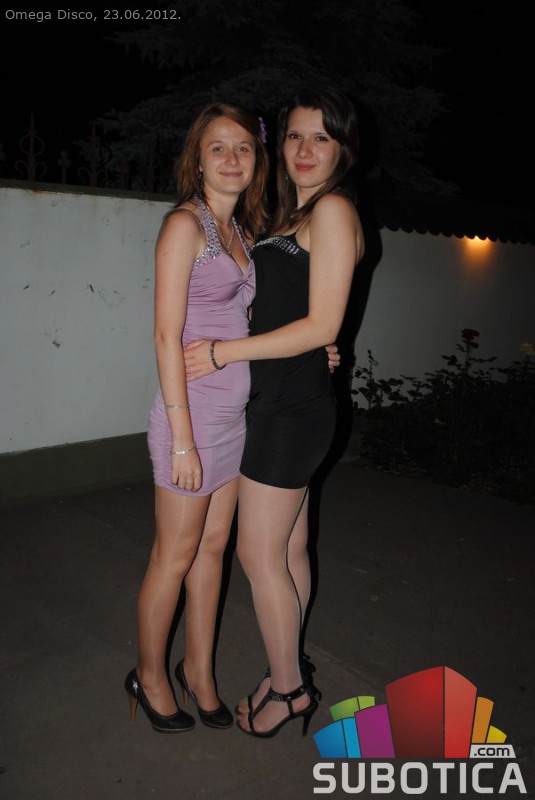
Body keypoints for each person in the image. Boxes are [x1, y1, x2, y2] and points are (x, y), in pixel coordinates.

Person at [125, 101, 339, 734]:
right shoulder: (184, 226)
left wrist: (318, 347)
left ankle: (200, 672)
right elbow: (165, 337)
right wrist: (182, 440)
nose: (231, 159)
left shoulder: (243, 233)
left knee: (213, 550)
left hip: (235, 419)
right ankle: (149, 676)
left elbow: (259, 317)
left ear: (256, 160)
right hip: (189, 419)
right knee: (174, 555)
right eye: (217, 147)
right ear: (197, 158)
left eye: (244, 147)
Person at [183, 85, 365, 738]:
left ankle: (288, 691)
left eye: (321, 137)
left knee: (259, 556)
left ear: (343, 148)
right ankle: (286, 666)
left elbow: (321, 323)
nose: (304, 149)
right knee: (287, 551)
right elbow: (297, 315)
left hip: (290, 413)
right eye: (293, 135)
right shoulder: (294, 216)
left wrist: (223, 352)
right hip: (285, 399)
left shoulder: (333, 210)